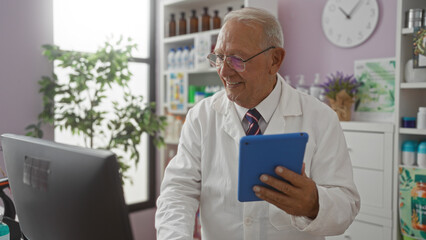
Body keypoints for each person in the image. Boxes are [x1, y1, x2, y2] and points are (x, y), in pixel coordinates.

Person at [156, 7, 360, 240]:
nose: (224, 71)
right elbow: (177, 191)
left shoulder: (320, 118)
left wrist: (314, 204)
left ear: (274, 60)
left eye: (236, 59)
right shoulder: (201, 117)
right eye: (219, 57)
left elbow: (347, 206)